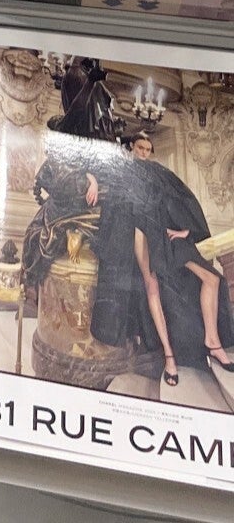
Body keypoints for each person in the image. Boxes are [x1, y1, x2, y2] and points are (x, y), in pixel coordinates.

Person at [86, 130, 234, 386]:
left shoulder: (158, 172)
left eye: (147, 149)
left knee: (212, 279)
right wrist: (93, 182)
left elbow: (182, 199)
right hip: (139, 230)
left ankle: (212, 341)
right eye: (140, 147)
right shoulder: (122, 169)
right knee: (151, 285)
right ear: (132, 148)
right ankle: (169, 356)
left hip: (165, 235)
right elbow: (91, 165)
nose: (144, 152)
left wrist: (187, 230)